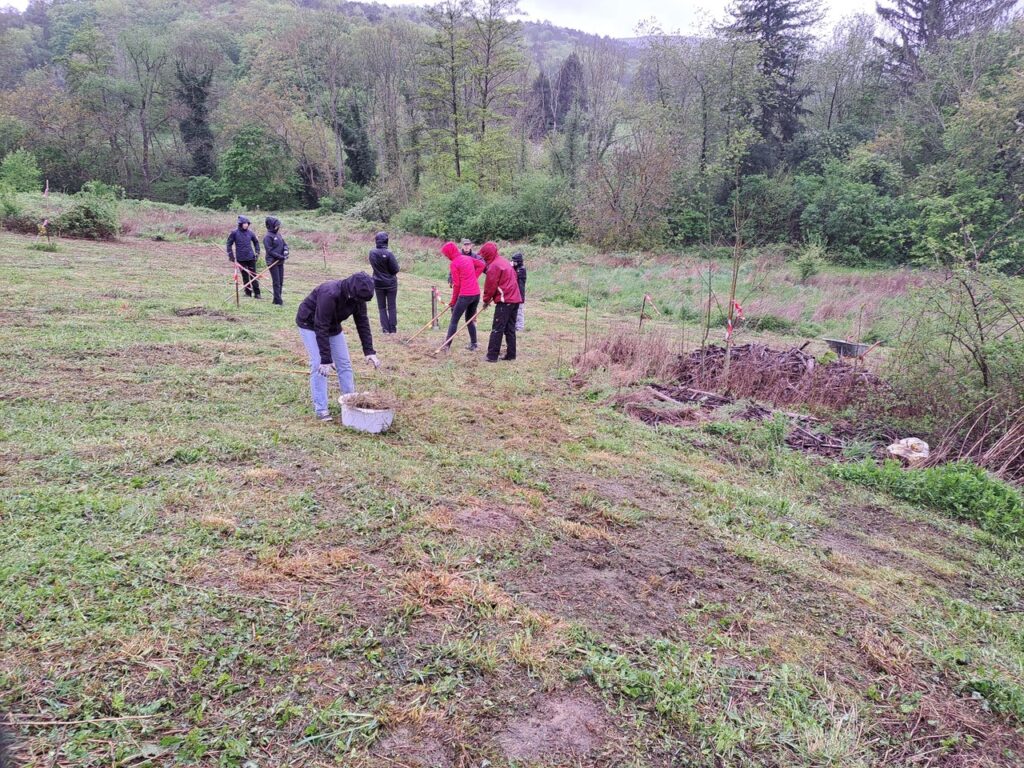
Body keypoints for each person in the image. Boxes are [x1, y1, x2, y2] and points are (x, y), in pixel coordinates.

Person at [295, 273, 381, 422]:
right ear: (353, 292)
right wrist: (326, 359)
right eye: (360, 300)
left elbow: (362, 322)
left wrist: (369, 351)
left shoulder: (358, 297)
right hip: (309, 324)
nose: (361, 302)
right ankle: (321, 409)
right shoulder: (329, 293)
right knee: (318, 364)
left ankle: (350, 403)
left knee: (345, 363)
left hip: (333, 325)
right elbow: (321, 326)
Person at [480, 241, 523, 362]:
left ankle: (492, 356)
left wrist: (486, 300)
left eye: (484, 255)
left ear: (487, 254)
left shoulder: (494, 266)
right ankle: (511, 355)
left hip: (506, 301)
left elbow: (490, 286)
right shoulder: (503, 261)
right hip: (515, 299)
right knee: (510, 328)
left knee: (497, 328)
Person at [441, 241, 482, 351]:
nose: (446, 256)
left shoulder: (454, 263)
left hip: (465, 295)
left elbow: (457, 285)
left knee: (454, 320)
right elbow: (482, 265)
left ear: (450, 253)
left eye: (446, 254)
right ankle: (474, 344)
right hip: (476, 294)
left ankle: (447, 346)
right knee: (469, 319)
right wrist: (473, 278)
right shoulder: (467, 258)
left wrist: (453, 301)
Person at [368, 231, 400, 334]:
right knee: (392, 306)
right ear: (386, 241)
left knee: (381, 307)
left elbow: (374, 266)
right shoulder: (389, 253)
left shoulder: (372, 253)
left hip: (378, 283)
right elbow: (395, 269)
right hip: (391, 284)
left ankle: (385, 329)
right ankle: (393, 329)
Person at [226, 215, 261, 298]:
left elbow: (256, 242)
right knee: (245, 276)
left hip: (251, 258)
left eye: (247, 223)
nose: (246, 225)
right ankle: (248, 293)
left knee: (253, 275)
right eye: (244, 223)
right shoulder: (234, 233)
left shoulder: (250, 233)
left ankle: (257, 293)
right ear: (240, 224)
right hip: (241, 258)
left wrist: (257, 252)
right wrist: (231, 255)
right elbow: (229, 244)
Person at [263, 216, 289, 306]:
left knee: (281, 281)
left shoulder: (278, 235)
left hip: (280, 262)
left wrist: (285, 251)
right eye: (276, 225)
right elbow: (269, 251)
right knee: (276, 282)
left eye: (278, 225)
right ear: (271, 225)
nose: (278, 227)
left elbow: (284, 244)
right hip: (272, 262)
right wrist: (280, 256)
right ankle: (278, 301)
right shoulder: (267, 237)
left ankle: (277, 299)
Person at [512, 252, 527, 331]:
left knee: (519, 311)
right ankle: (515, 325)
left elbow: (517, 278)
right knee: (515, 310)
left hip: (520, 293)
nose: (513, 262)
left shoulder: (521, 269)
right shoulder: (516, 268)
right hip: (515, 293)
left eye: (515, 261)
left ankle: (520, 326)